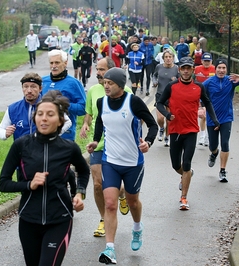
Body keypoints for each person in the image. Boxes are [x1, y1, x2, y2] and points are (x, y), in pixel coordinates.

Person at [0, 91, 90, 266]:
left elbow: (83, 171)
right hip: (28, 220)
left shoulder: (69, 148)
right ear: (34, 118)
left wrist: (79, 194)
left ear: (60, 120)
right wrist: (29, 185)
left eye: (50, 114)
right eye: (40, 114)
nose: (44, 119)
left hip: (59, 218)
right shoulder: (21, 145)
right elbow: (3, 183)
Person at [86, 67, 158, 264]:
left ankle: (137, 227)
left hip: (133, 162)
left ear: (120, 85)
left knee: (132, 201)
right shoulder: (101, 102)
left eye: (110, 83)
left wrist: (148, 142)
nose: (105, 85)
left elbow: (153, 125)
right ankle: (110, 249)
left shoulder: (133, 102)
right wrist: (95, 140)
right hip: (110, 160)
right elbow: (101, 122)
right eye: (104, 82)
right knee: (110, 203)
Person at [79, 57, 133, 238]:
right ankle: (103, 219)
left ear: (111, 71)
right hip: (99, 143)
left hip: (119, 143)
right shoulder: (93, 91)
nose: (98, 73)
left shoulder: (126, 91)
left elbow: (133, 116)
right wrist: (85, 124)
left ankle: (122, 193)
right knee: (97, 184)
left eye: (102, 69)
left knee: (116, 185)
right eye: (97, 69)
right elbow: (89, 112)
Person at [157, 57, 219, 210]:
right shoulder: (172, 87)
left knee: (186, 163)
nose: (185, 71)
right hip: (175, 130)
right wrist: (167, 114)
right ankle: (188, 174)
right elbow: (159, 103)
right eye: (183, 68)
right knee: (175, 165)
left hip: (191, 130)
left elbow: (208, 102)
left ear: (192, 70)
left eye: (188, 68)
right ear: (179, 70)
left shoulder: (199, 87)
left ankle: (184, 198)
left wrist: (214, 119)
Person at [202, 58, 239, 182]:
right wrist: (201, 107)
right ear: (215, 69)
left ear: (226, 69)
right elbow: (200, 96)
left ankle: (223, 171)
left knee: (225, 143)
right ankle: (214, 153)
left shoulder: (231, 81)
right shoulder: (208, 83)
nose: (221, 70)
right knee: (213, 146)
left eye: (224, 68)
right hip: (212, 119)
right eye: (219, 68)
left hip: (226, 118)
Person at [0, 72, 72, 141]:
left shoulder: (50, 105)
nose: (29, 90)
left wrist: (53, 134)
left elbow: (67, 122)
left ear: (40, 88)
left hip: (44, 150)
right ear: (22, 88)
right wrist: (5, 134)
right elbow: (0, 129)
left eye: (33, 87)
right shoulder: (13, 109)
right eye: (25, 86)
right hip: (22, 152)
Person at [42, 49, 86, 141]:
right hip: (44, 131)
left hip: (65, 133)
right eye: (51, 63)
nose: (54, 66)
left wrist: (62, 106)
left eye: (57, 63)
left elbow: (83, 108)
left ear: (65, 63)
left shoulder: (74, 83)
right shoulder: (43, 81)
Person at [152, 49, 179, 147]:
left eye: (170, 57)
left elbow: (181, 81)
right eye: (166, 57)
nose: (168, 59)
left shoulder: (176, 68)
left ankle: (167, 137)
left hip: (172, 97)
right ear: (163, 58)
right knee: (160, 118)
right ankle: (161, 128)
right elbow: (154, 76)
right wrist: (155, 82)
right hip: (160, 95)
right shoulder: (159, 67)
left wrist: (176, 80)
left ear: (173, 58)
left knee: (169, 119)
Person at [194, 52, 215, 146]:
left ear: (211, 61)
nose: (206, 63)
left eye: (208, 61)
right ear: (201, 61)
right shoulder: (197, 69)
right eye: (205, 61)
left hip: (212, 96)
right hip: (200, 95)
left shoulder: (215, 69)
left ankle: (207, 136)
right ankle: (203, 135)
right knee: (203, 116)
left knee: (209, 116)